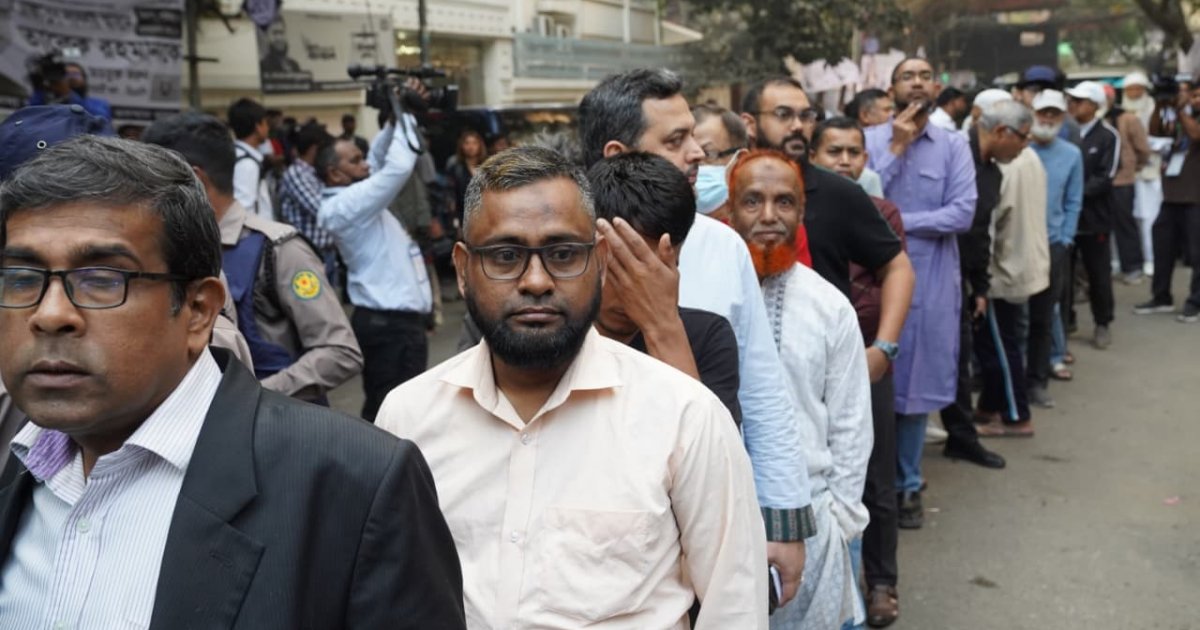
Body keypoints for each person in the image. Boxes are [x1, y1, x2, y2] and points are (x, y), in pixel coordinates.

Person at [0, 135, 465, 628]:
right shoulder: (19, 470)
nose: (50, 315)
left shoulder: (354, 484)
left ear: (200, 309)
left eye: (102, 280)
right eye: (20, 278)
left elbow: (338, 349)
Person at [376, 146, 767, 628]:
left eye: (563, 254)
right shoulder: (408, 416)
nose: (536, 281)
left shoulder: (685, 415)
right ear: (462, 268)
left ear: (601, 261)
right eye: (505, 255)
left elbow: (735, 606)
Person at [578, 68, 813, 605]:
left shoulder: (722, 243)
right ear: (618, 155)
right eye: (676, 140)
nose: (699, 153)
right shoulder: (560, 252)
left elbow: (761, 389)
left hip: (709, 511)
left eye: (695, 135)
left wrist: (782, 520)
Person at [726, 149, 872, 630]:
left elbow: (851, 421)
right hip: (721, 516)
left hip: (816, 519)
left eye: (783, 202)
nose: (769, 216)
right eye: (753, 201)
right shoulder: (701, 295)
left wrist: (841, 522)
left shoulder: (829, 307)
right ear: (729, 209)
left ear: (801, 212)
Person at [143, 113, 363, 405]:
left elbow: (340, 352)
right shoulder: (159, 253)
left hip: (274, 434)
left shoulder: (278, 249)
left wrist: (250, 399)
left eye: (150, 183)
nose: (142, 196)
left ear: (195, 180)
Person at [741, 78, 914, 387]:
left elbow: (898, 268)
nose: (798, 126)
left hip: (824, 371)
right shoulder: (725, 190)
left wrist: (883, 348)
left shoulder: (840, 193)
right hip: (743, 366)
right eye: (783, 115)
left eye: (806, 116)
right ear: (750, 124)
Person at [865, 57, 978, 529]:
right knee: (870, 385)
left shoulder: (954, 146)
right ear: (890, 89)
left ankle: (908, 486)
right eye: (905, 76)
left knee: (914, 391)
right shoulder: (867, 142)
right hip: (868, 277)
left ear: (935, 87)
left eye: (922, 76)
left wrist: (895, 223)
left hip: (931, 283)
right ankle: (874, 484)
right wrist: (895, 147)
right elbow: (857, 198)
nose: (915, 82)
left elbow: (962, 213)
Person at [808, 116, 907, 627]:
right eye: (834, 151)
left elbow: (895, 271)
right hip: (809, 367)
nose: (845, 161)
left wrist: (881, 348)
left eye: (855, 152)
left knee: (874, 477)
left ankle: (882, 581)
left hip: (867, 362)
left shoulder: (879, 211)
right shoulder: (792, 202)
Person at [587, 152, 742, 423]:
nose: (635, 289)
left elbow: (708, 452)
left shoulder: (706, 337)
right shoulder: (552, 330)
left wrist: (661, 325)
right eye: (622, 268)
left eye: (655, 273)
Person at [318, 106, 433, 421]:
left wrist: (395, 118)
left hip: (394, 324)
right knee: (392, 415)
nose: (366, 163)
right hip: (390, 327)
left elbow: (380, 160)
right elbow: (396, 168)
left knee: (392, 410)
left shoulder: (353, 198)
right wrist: (406, 114)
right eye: (355, 161)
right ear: (334, 173)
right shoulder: (345, 205)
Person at [968, 101, 1045, 437]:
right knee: (999, 343)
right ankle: (991, 407)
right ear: (1002, 131)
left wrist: (982, 283)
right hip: (1004, 269)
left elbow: (987, 226)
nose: (1026, 145)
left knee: (1000, 345)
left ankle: (1016, 416)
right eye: (1023, 137)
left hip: (1001, 270)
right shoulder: (974, 161)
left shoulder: (1005, 166)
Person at [1027, 90, 1085, 403]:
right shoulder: (1020, 148)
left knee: (1044, 314)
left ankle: (1037, 380)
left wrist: (1065, 237)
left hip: (1053, 245)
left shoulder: (1071, 154)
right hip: (1019, 243)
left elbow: (1074, 200)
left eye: (1054, 114)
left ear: (1062, 118)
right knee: (1015, 315)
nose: (1047, 119)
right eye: (1042, 113)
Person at [1136, 81, 1200, 323]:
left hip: (1196, 196)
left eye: (1197, 96)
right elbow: (1155, 132)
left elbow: (1195, 134)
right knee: (1162, 246)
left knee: (1197, 253)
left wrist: (1181, 110)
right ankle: (1161, 296)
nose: (1195, 100)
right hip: (1172, 195)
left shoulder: (1188, 119)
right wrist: (1162, 104)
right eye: (1192, 95)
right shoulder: (1177, 116)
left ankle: (1195, 301)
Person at [1065, 81, 1121, 348]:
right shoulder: (1064, 132)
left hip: (1094, 218)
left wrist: (1074, 195)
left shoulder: (1108, 136)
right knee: (1063, 273)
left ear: (1095, 106)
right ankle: (1067, 319)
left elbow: (1106, 177)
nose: (1073, 105)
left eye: (1080, 101)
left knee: (1098, 273)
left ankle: (1102, 323)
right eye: (1072, 99)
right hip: (1066, 218)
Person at [279, 121, 341, 286]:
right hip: (309, 254)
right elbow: (321, 209)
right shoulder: (297, 174)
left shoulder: (314, 173)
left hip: (326, 252)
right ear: (315, 148)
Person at [1104, 85, 1154, 284]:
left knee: (1125, 224)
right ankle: (1111, 264)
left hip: (1122, 180)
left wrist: (1132, 167)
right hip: (1101, 181)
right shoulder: (1095, 120)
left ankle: (1133, 266)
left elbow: (1143, 148)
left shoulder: (1127, 119)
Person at [1121, 72, 1162, 275]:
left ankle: (1151, 258)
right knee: (1129, 219)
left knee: (1149, 217)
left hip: (1150, 170)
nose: (1134, 93)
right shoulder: (1119, 110)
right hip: (1126, 174)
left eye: (1138, 88)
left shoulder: (1155, 108)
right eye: (1130, 89)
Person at [692, 103, 749, 221]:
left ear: (741, 160)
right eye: (687, 154)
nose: (694, 166)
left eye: (707, 154)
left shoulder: (756, 230)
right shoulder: (664, 233)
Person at [227, 97, 275, 219]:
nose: (268, 128)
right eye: (265, 123)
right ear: (257, 127)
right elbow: (243, 209)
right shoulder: (247, 164)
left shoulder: (236, 154)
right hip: (253, 235)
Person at [26, 55, 112, 122]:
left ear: (84, 78)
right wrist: (39, 87)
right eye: (66, 74)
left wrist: (68, 94)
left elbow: (99, 121)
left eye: (75, 74)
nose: (70, 78)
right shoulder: (43, 100)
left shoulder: (99, 104)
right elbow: (30, 115)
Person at [448, 129, 488, 228]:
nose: (471, 147)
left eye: (474, 143)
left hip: (486, 211)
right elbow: (451, 192)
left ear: (480, 145)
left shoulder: (488, 165)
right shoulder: (455, 166)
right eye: (467, 143)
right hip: (464, 212)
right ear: (462, 146)